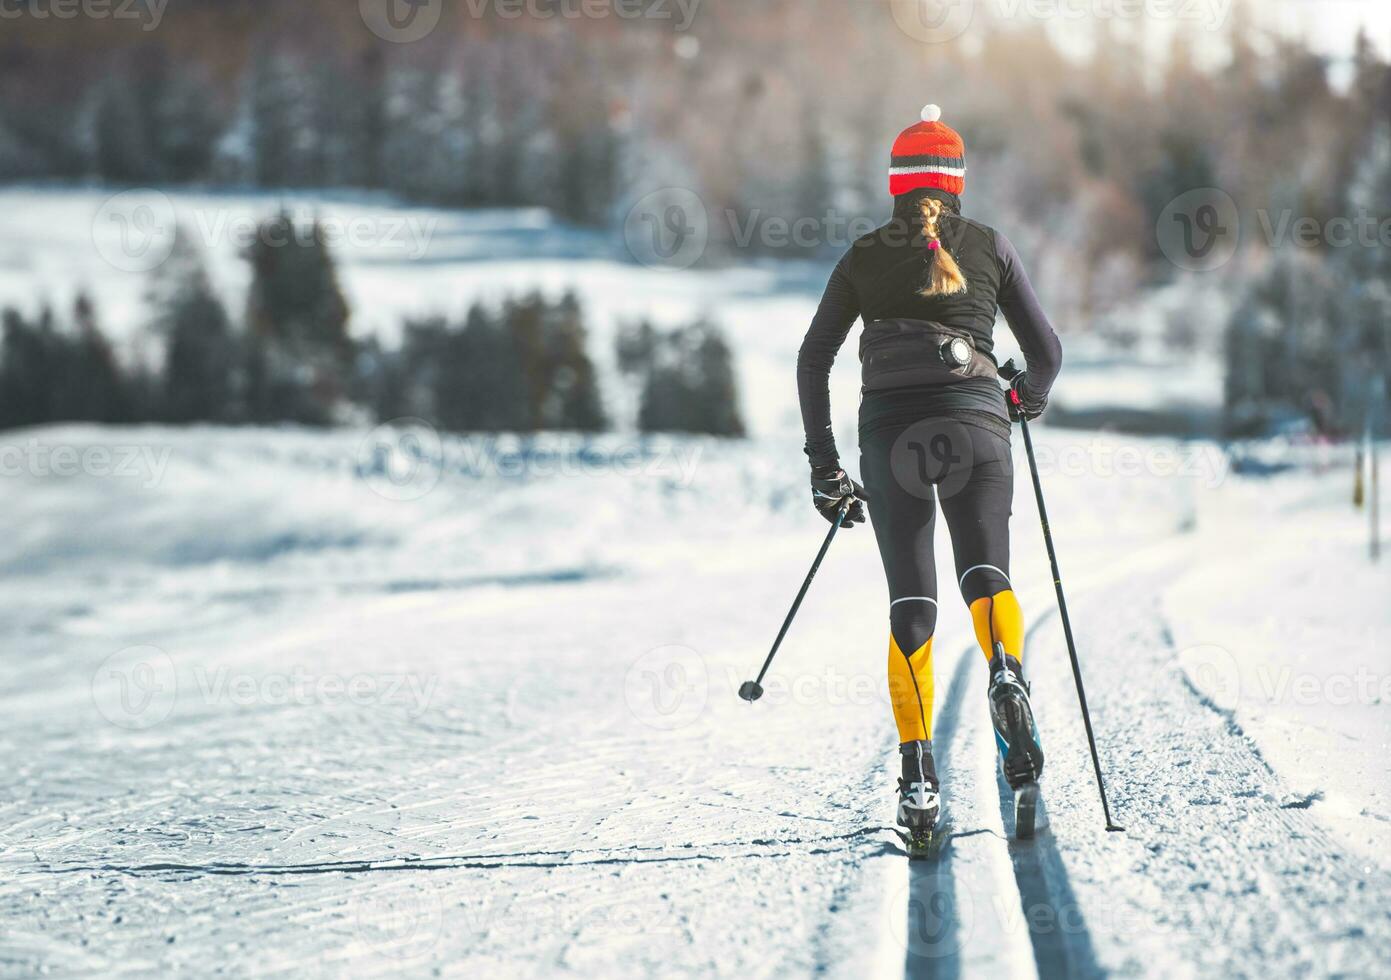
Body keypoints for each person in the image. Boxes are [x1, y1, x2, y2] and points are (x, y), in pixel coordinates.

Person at [796, 104, 1062, 834]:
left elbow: (812, 358)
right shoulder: (991, 247)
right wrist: (1022, 400)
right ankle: (1005, 670)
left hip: (890, 439)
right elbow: (1047, 354)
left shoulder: (861, 255)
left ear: (895, 186)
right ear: (956, 185)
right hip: (976, 427)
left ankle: (917, 776)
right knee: (986, 574)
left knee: (911, 603)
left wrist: (824, 464)